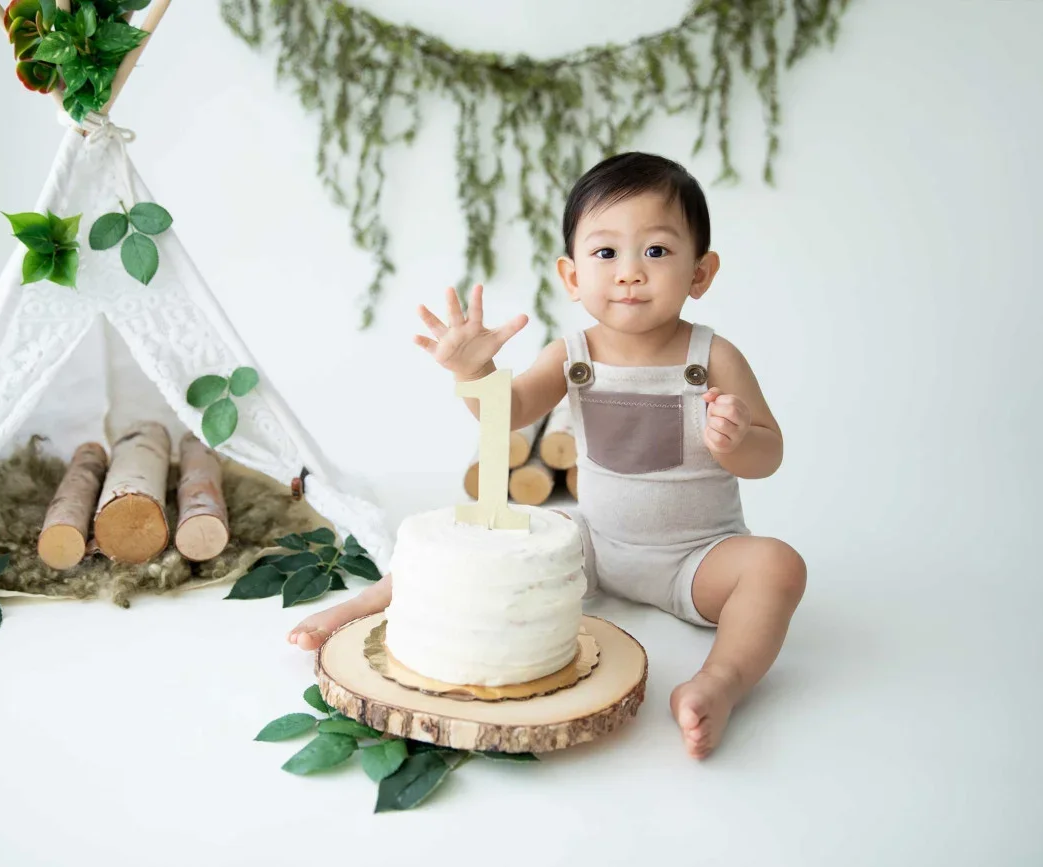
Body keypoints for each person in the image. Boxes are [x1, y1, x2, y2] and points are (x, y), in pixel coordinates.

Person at [288, 153, 806, 759]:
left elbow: (769, 454)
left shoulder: (713, 356)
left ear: (701, 272)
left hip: (698, 558)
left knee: (778, 567)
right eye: (606, 253)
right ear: (571, 276)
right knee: (489, 534)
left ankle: (720, 683)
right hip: (593, 545)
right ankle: (362, 606)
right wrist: (475, 370)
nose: (630, 273)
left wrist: (739, 438)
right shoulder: (573, 353)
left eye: (657, 252)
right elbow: (505, 413)